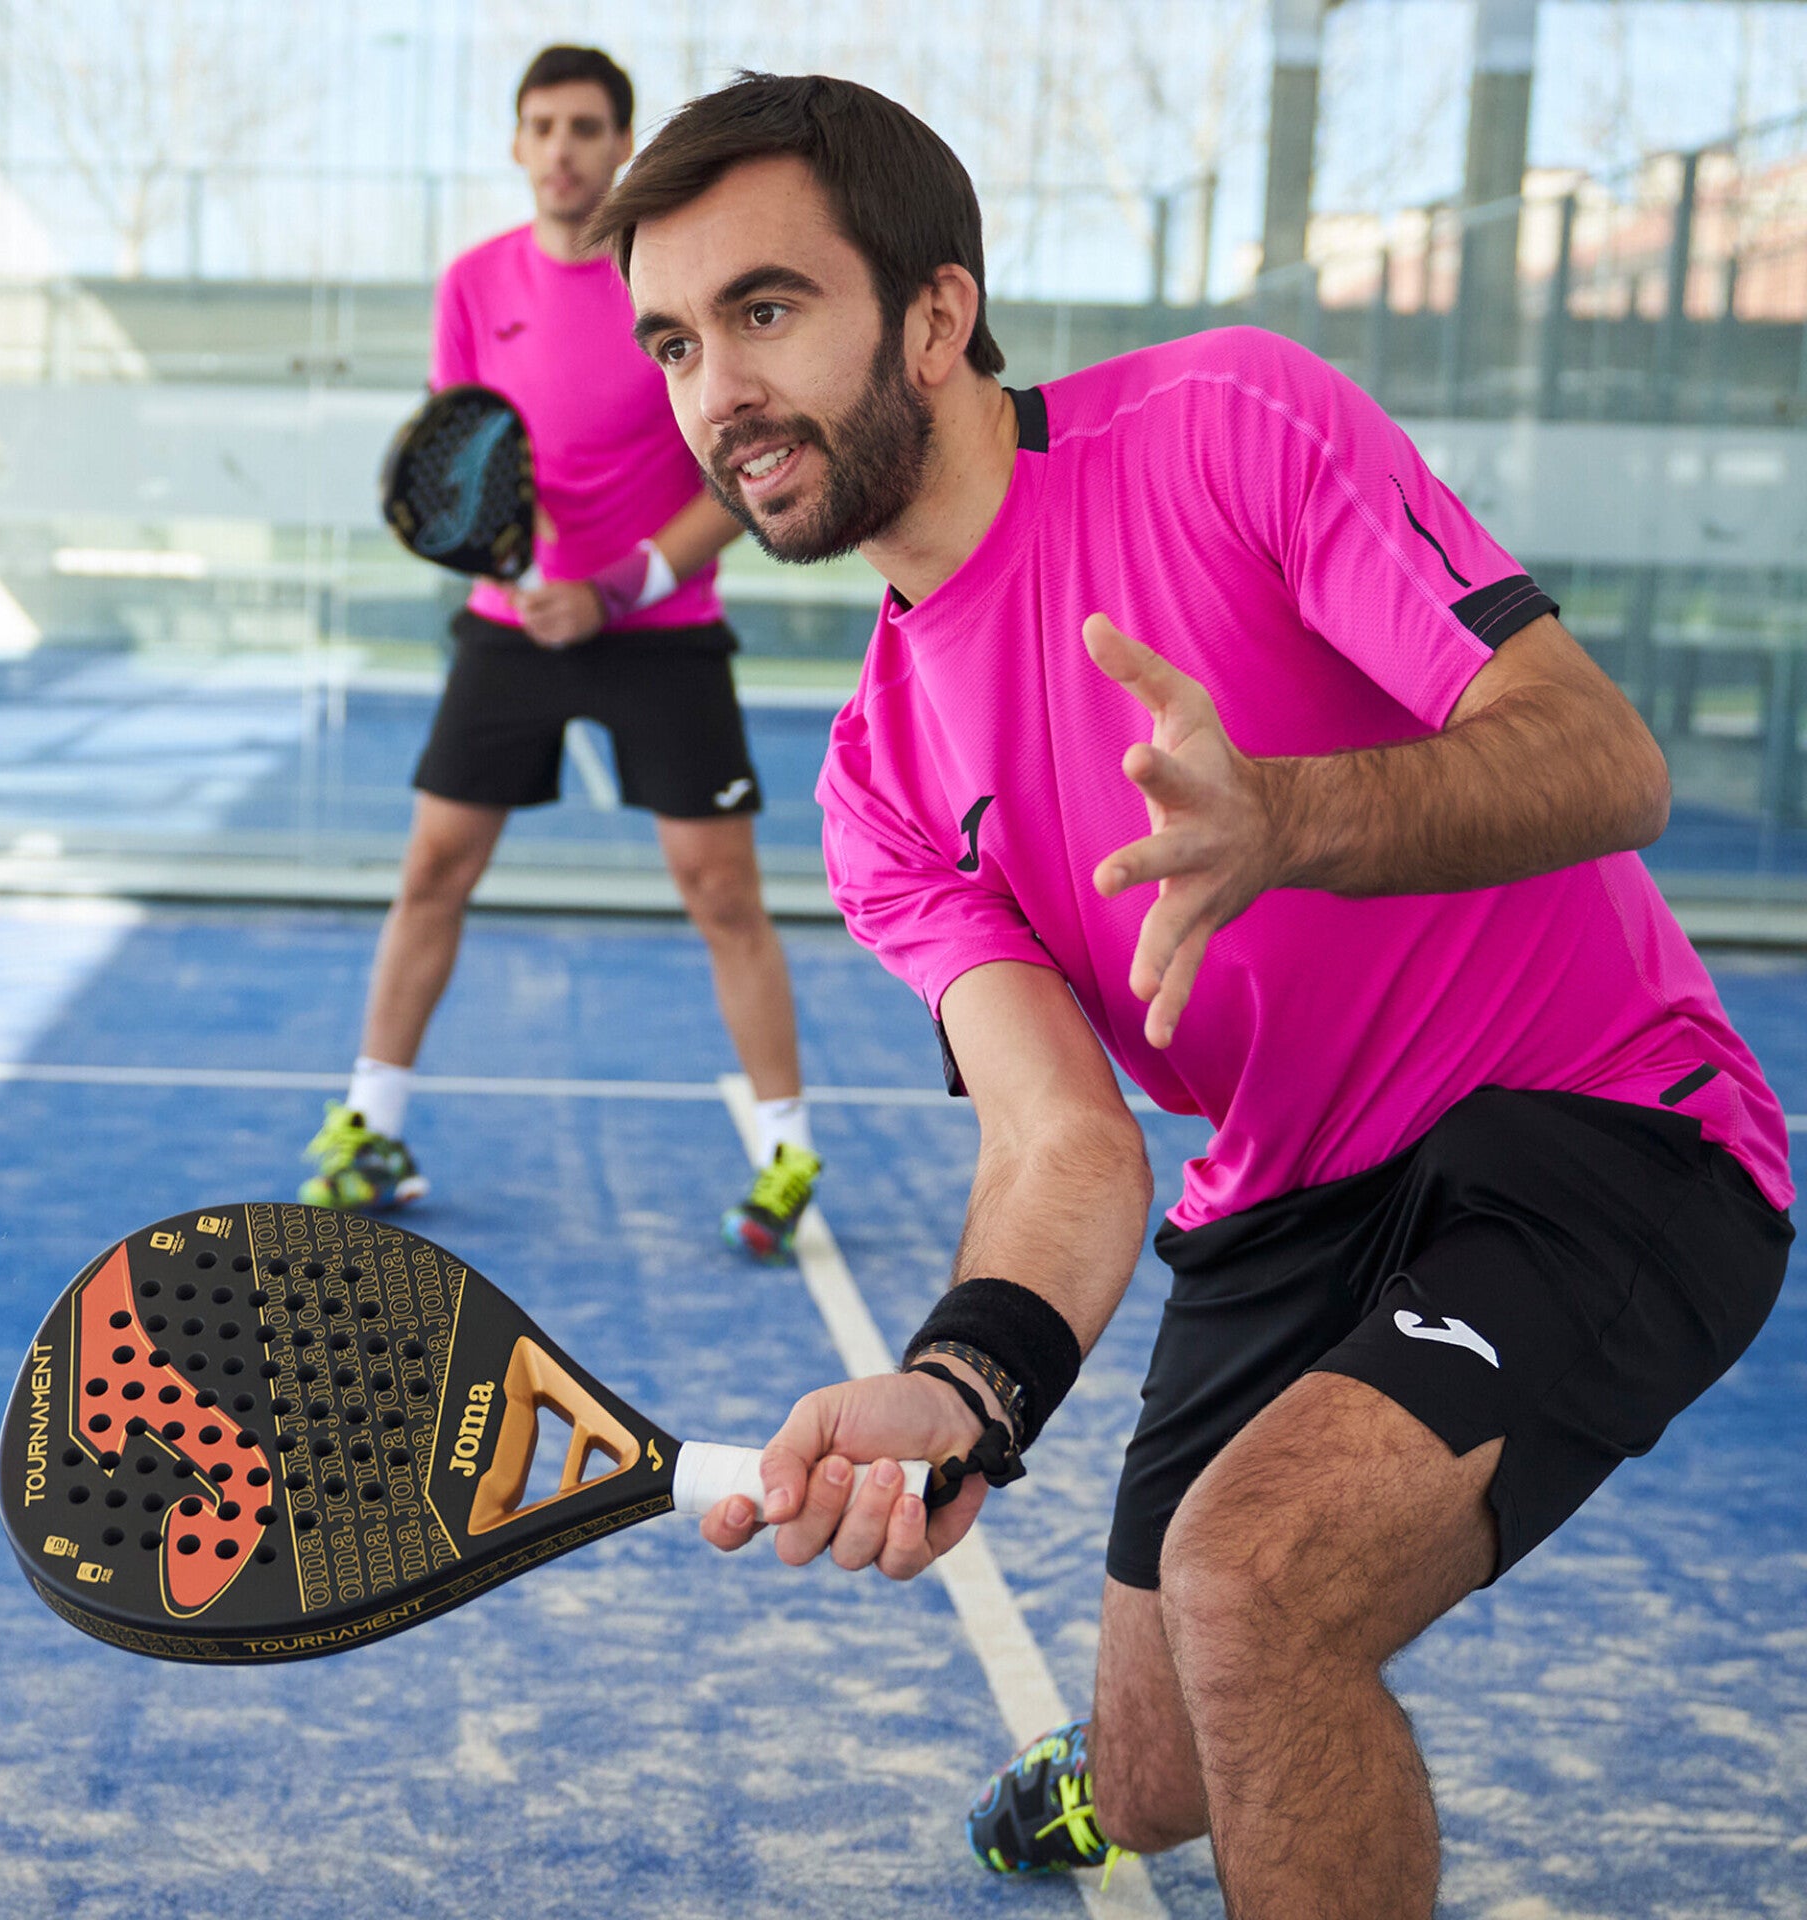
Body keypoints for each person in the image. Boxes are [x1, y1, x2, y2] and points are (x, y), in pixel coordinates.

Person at [584, 72, 1796, 1916]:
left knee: (1254, 1586)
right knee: (1163, 1770)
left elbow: (1601, 756)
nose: (715, 392)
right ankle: (1119, 1774)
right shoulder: (876, 783)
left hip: (1599, 1122)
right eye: (675, 340)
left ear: (935, 310)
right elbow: (1064, 1140)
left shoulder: (1225, 423)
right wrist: (961, 1381)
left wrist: (1290, 818)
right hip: (1286, 1200)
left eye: (765, 310)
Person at [300, 47, 823, 1261]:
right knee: (434, 867)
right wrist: (521, 576)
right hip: (512, 632)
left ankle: (787, 1148)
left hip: (662, 631)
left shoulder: (670, 281)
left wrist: (614, 589)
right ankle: (370, 1126)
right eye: (542, 127)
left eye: (587, 127)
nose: (564, 149)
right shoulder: (474, 283)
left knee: (723, 895)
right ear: (518, 145)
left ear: (622, 146)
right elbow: (460, 462)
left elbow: (734, 472)